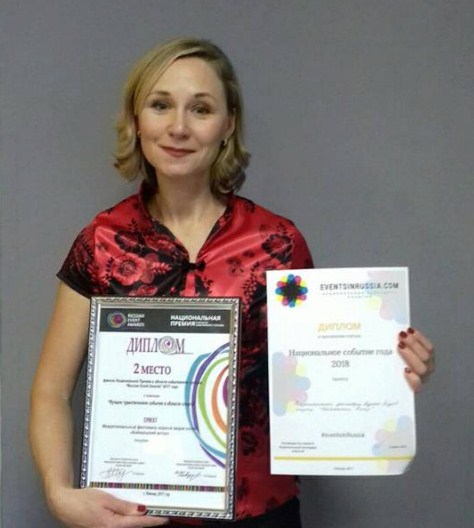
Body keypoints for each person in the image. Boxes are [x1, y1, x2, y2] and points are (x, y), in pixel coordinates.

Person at [29, 38, 435, 528]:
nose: (179, 127)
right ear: (137, 119)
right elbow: (51, 390)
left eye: (201, 109)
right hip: (131, 515)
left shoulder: (277, 244)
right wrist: (58, 492)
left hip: (260, 514)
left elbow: (318, 376)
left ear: (227, 125)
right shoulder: (101, 243)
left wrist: (385, 374)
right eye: (161, 105)